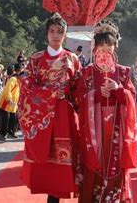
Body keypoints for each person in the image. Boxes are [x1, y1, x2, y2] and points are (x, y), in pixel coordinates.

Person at [18, 13, 81, 202]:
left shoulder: (72, 59)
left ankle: (55, 197)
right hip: (41, 117)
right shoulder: (36, 59)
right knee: (45, 159)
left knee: (62, 158)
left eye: (59, 32)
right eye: (52, 31)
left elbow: (78, 89)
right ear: (46, 34)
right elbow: (27, 86)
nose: (55, 35)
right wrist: (53, 93)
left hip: (63, 115)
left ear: (65, 35)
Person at [73, 20, 137, 202]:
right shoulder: (86, 74)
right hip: (94, 131)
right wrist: (95, 96)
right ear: (95, 48)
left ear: (115, 47)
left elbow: (133, 101)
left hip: (117, 128)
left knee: (115, 164)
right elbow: (78, 99)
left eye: (109, 45)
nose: (105, 49)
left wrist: (119, 91)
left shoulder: (124, 72)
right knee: (94, 164)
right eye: (101, 45)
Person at [0, 64, 21, 139]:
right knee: (6, 118)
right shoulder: (13, 79)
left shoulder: (19, 81)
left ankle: (11, 132)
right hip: (6, 102)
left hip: (13, 103)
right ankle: (3, 133)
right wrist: (9, 99)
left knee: (13, 118)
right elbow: (7, 90)